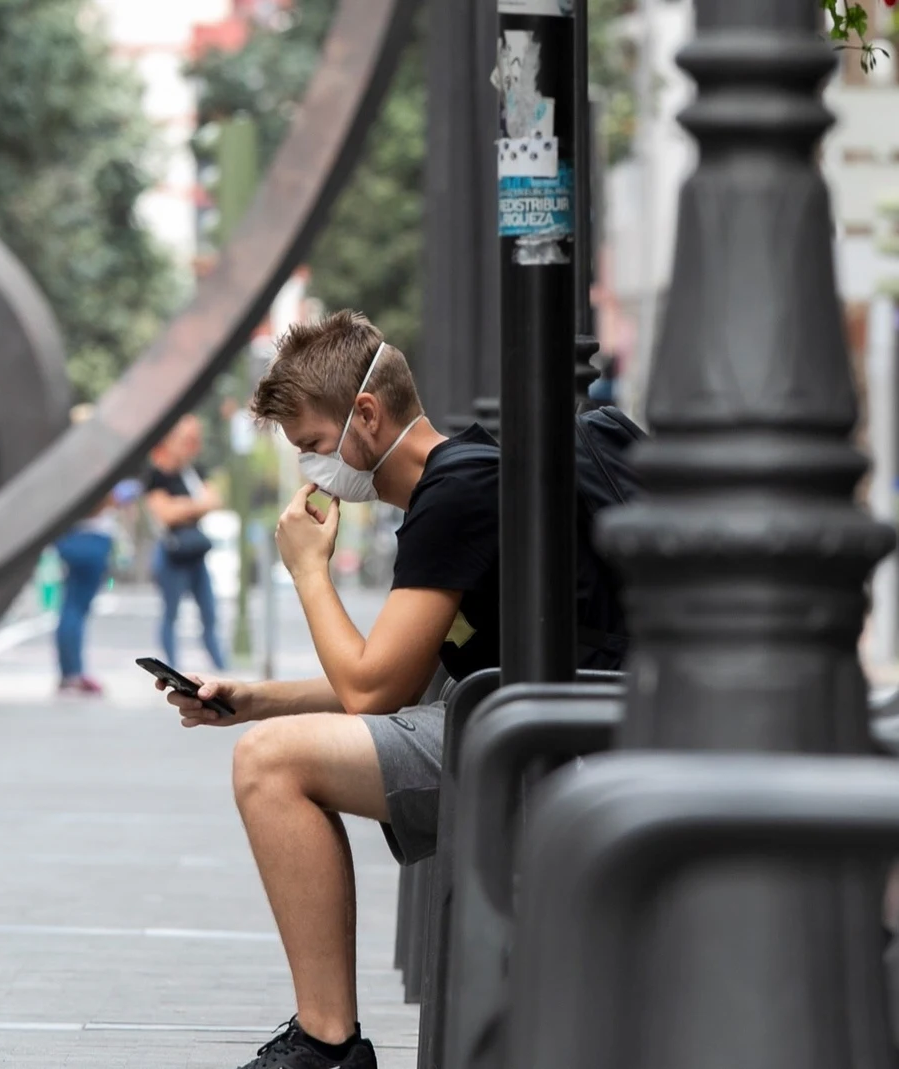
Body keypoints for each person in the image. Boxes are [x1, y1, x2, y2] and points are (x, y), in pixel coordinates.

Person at [155, 310, 634, 1069]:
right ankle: (326, 1041)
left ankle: (327, 1044)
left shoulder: (455, 495)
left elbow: (374, 691)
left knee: (269, 764)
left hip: (550, 745)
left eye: (314, 446)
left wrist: (309, 572)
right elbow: (395, 671)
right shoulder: (471, 473)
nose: (315, 472)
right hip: (542, 720)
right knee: (265, 736)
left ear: (367, 417)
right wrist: (251, 697)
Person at [145, 414, 230, 672]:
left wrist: (183, 507)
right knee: (171, 613)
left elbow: (214, 500)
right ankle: (171, 667)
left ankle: (221, 666)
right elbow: (164, 513)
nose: (191, 446)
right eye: (186, 440)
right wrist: (194, 506)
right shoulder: (157, 475)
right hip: (172, 553)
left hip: (195, 552)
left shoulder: (194, 472)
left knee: (209, 612)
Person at [56, 405, 121, 697]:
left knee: (72, 605)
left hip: (74, 537)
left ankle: (71, 671)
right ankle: (72, 673)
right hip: (88, 537)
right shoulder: (89, 461)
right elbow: (95, 502)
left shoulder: (66, 460)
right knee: (75, 608)